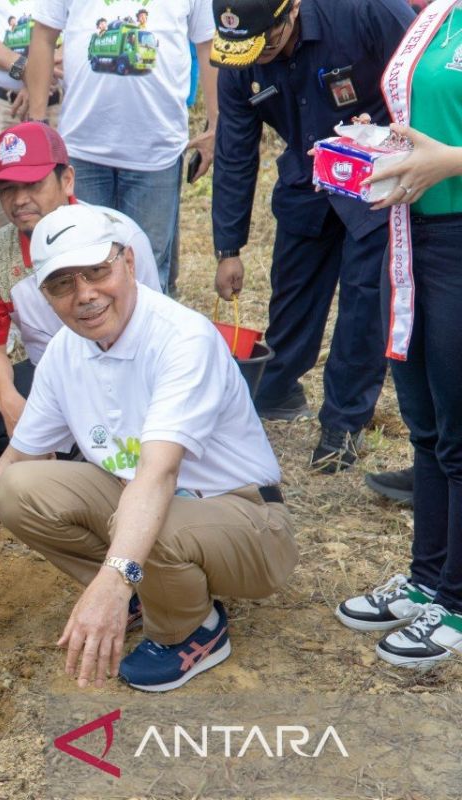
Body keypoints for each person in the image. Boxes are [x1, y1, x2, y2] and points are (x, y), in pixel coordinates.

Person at [0, 204, 299, 692]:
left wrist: (114, 577)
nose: (85, 295)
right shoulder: (65, 352)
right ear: (46, 296)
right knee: (19, 489)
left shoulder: (181, 339)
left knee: (144, 522)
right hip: (153, 503)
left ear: (129, 263)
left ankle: (193, 629)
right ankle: (144, 591)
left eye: (98, 272)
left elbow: (157, 477)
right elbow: (16, 458)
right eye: (62, 284)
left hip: (249, 522)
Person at [210, 0, 415, 474]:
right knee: (293, 292)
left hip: (375, 182)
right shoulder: (243, 59)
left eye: (269, 42)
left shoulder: (367, 13)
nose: (259, 56)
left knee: (365, 303)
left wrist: (393, 137)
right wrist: (228, 248)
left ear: (293, 10)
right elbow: (236, 153)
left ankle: (342, 426)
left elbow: (419, 78)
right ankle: (277, 388)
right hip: (307, 181)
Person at [335, 0, 462, 667]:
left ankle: (459, 604)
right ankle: (429, 580)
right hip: (412, 236)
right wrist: (381, 139)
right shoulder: (435, 14)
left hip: (458, 234)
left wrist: (454, 162)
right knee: (428, 428)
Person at [0, 121, 161, 463]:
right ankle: (50, 469)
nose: (19, 200)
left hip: (125, 372)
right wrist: (9, 402)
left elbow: (153, 329)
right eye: (7, 188)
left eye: (32, 184)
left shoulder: (119, 236)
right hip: (49, 372)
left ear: (67, 180)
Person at [24, 0, 219, 292]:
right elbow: (43, 35)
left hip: (156, 151)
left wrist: (217, 126)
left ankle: (148, 337)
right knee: (82, 259)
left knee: (147, 268)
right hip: (82, 147)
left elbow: (208, 46)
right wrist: (38, 122)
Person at [0, 0, 62, 235]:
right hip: (3, 106)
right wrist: (26, 69)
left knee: (59, 204)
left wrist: (38, 81)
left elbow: (84, 32)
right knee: (0, 206)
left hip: (62, 107)